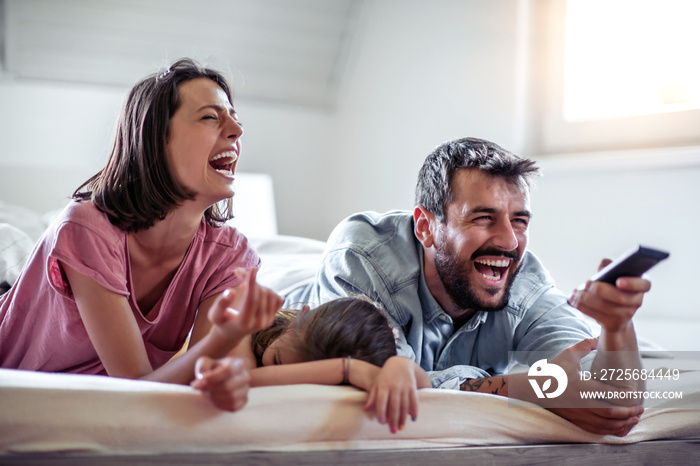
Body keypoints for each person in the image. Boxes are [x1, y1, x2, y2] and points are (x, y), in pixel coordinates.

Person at [286, 137, 652, 436]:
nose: (509, 242)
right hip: (287, 292)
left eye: (519, 221)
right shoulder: (361, 258)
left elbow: (614, 404)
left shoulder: (528, 288)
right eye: (483, 218)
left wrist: (617, 327)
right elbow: (381, 378)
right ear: (425, 227)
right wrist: (529, 388)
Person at [0, 58, 283, 412]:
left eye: (235, 120)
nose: (236, 131)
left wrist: (228, 378)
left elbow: (207, 372)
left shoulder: (230, 255)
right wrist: (222, 340)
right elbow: (134, 388)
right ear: (154, 139)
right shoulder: (88, 228)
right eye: (211, 117)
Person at [193, 295, 432, 433]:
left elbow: (426, 386)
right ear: (298, 317)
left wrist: (399, 366)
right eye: (276, 361)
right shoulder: (246, 330)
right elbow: (248, 382)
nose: (276, 375)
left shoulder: (368, 369)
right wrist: (346, 369)